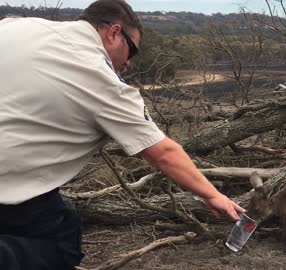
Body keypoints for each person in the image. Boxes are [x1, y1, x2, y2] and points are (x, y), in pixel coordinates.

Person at [0, 0, 245, 269]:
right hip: (8, 186)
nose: (128, 63)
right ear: (114, 32)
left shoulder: (17, 26)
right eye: (133, 50)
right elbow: (163, 152)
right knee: (62, 244)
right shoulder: (99, 78)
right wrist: (213, 195)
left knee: (61, 217)